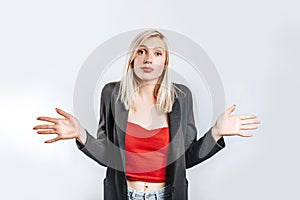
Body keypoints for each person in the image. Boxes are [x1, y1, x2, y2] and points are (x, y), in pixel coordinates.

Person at [33, 29, 260, 200]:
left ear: (165, 61)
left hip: (168, 195)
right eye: (141, 51)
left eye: (157, 53)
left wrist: (216, 132)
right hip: (123, 194)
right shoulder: (112, 94)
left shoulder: (182, 97)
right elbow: (108, 155)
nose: (148, 58)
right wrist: (81, 134)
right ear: (132, 58)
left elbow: (186, 158)